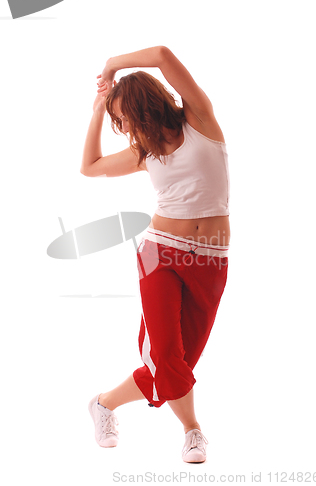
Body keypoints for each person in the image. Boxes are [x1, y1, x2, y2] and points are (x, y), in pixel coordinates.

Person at [81, 46, 230, 463]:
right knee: (166, 357)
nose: (122, 125)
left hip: (210, 259)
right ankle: (193, 431)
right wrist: (97, 110)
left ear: (142, 103)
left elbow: (163, 55)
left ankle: (104, 403)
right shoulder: (145, 151)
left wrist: (112, 66)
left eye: (121, 115)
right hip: (159, 254)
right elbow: (89, 166)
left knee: (176, 365)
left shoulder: (199, 119)